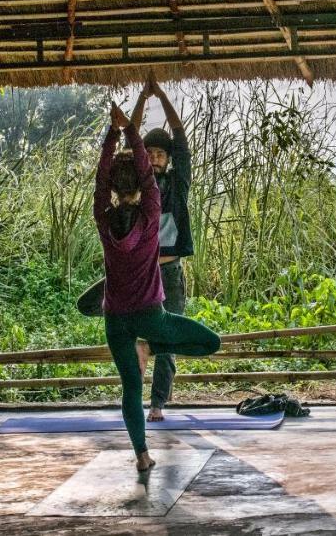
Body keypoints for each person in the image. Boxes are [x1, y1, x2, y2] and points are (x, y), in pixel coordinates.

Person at [94, 101, 220, 481]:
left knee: (130, 388)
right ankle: (154, 346)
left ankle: (142, 455)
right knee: (209, 342)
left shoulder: (103, 219)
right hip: (151, 313)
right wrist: (124, 131)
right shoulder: (151, 215)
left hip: (115, 319)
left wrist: (114, 136)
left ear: (115, 188)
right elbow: (146, 177)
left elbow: (103, 180)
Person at [77, 75, 193, 422]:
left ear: (168, 161)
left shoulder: (175, 184)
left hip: (167, 271)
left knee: (169, 338)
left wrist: (162, 96)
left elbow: (180, 137)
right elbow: (133, 138)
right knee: (95, 308)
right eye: (151, 153)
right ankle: (138, 345)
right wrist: (141, 99)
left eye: (160, 154)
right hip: (134, 273)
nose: (155, 158)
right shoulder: (140, 187)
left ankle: (157, 402)